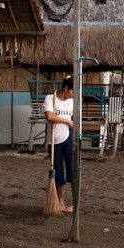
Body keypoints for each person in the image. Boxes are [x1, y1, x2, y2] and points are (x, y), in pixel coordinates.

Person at [43, 76, 75, 214]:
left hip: (68, 138)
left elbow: (75, 119)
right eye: (72, 91)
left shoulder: (72, 102)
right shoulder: (50, 98)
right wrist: (67, 121)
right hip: (54, 141)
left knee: (72, 170)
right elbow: (49, 116)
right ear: (66, 89)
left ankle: (74, 202)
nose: (73, 95)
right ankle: (60, 202)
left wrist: (70, 124)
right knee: (58, 173)